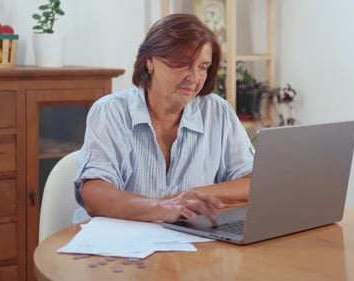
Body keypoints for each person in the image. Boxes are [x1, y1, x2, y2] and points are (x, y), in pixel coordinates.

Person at [73, 13, 254, 226]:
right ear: (149, 61)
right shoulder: (111, 111)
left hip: (188, 245)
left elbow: (254, 182)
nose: (194, 78)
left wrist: (192, 195)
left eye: (202, 67)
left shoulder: (217, 112)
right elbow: (94, 195)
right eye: (183, 64)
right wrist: (163, 207)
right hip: (120, 246)